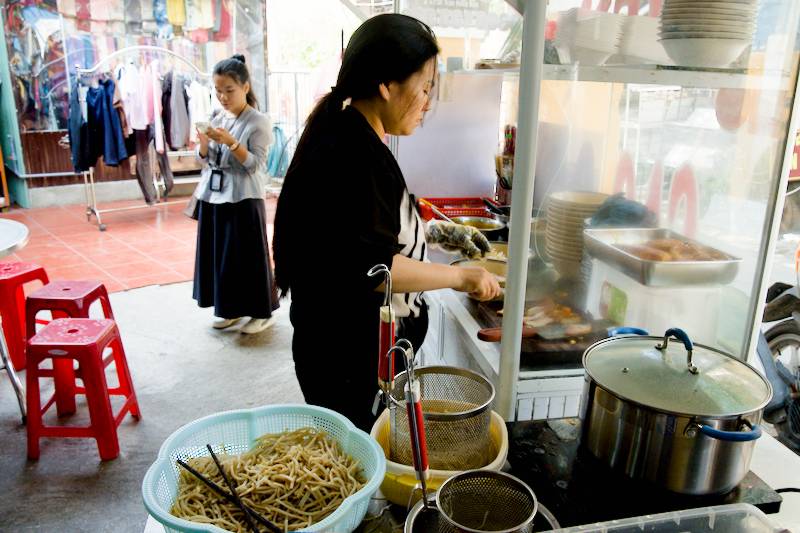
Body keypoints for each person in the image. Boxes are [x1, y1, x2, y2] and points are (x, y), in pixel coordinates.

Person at [273, 14, 502, 431]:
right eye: (425, 87)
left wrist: (442, 233)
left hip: (337, 347)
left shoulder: (347, 131)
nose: (428, 102)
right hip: (348, 358)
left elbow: (363, 229)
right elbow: (371, 267)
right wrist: (462, 279)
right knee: (362, 464)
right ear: (386, 85)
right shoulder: (355, 153)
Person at [192, 54, 278, 334]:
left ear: (245, 87)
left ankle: (262, 313)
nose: (223, 97)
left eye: (229, 90)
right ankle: (230, 309)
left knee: (250, 258)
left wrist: (230, 142)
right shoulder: (218, 116)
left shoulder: (258, 121)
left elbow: (255, 166)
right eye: (218, 90)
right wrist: (204, 144)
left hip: (244, 197)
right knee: (222, 257)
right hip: (215, 195)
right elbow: (204, 159)